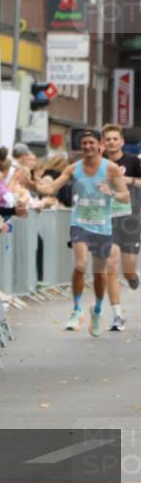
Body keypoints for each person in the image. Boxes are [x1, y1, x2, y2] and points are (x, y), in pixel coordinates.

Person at [33, 129, 130, 337]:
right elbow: (52, 189)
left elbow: (125, 196)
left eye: (91, 143)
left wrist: (111, 192)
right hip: (80, 224)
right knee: (79, 265)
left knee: (99, 275)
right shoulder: (73, 168)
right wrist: (36, 185)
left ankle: (96, 311)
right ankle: (76, 310)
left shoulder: (110, 168)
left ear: (99, 145)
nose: (87, 146)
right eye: (84, 143)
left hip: (102, 227)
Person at [101, 123, 141, 331]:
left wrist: (127, 180)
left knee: (128, 271)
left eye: (115, 139)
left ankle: (133, 277)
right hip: (108, 219)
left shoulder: (133, 162)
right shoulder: (99, 164)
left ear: (122, 142)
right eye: (108, 139)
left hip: (130, 218)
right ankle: (117, 316)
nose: (112, 142)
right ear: (103, 143)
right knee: (111, 264)